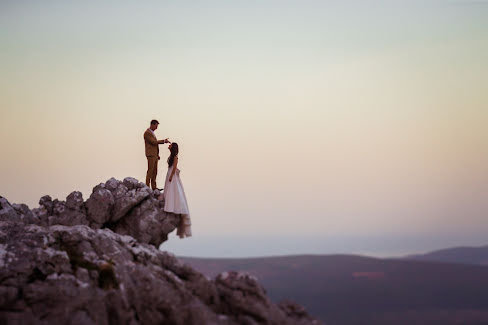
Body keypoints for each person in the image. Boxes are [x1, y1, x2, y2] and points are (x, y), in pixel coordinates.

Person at [163, 142, 192, 238]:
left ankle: (171, 206)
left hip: (172, 174)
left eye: (171, 145)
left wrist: (171, 176)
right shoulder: (171, 156)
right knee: (169, 189)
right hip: (169, 173)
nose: (169, 146)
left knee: (173, 190)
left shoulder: (175, 157)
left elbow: (174, 167)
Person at [144, 120, 169, 190]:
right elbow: (153, 142)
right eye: (156, 126)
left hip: (154, 155)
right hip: (150, 155)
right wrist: (163, 141)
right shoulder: (147, 133)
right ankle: (147, 186)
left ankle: (154, 187)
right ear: (152, 124)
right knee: (150, 170)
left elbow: (154, 145)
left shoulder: (152, 133)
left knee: (155, 171)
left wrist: (157, 154)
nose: (156, 127)